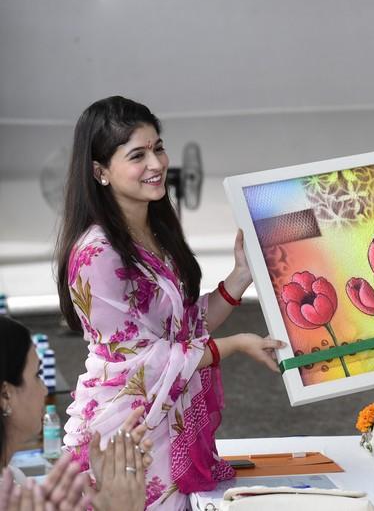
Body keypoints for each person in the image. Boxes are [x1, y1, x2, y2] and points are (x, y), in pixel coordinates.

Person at [55, 96, 285, 510]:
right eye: (137, 155)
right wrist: (233, 346)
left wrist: (241, 276)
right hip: (125, 435)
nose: (156, 164)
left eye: (158, 148)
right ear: (100, 171)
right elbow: (143, 359)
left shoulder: (156, 232)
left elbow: (183, 331)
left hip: (165, 422)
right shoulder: (96, 254)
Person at [0, 315, 151, 511]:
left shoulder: (13, 481)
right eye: (37, 375)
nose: (44, 390)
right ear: (5, 394)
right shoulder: (10, 497)